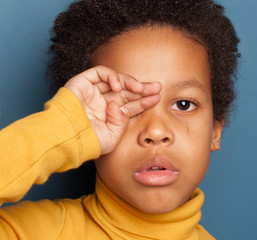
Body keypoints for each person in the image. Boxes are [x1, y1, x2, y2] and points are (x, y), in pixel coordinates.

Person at [0, 0, 240, 239]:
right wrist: (63, 128)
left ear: (216, 129)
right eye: (129, 106)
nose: (155, 131)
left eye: (183, 105)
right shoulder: (32, 232)